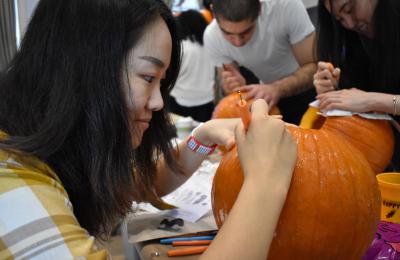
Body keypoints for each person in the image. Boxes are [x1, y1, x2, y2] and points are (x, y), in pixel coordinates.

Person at [0, 0, 297, 259]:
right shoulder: (13, 185)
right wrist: (266, 181)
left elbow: (143, 184)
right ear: (83, 68)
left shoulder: (59, 153)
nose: (157, 102)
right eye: (147, 77)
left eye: (161, 82)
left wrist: (202, 137)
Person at [313, 0, 400, 170]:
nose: (350, 23)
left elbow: (369, 99)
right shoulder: (355, 42)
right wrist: (332, 91)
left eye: (350, 9)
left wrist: (374, 100)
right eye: (340, 19)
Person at [203, 0, 317, 124]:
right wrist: (237, 88)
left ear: (260, 9)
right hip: (268, 97)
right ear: (213, 11)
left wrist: (277, 88)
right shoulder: (211, 36)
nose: (237, 43)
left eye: (245, 32)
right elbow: (235, 92)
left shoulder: (286, 7)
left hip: (308, 91)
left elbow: (313, 67)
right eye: (227, 33)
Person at [168, 10, 215, 122]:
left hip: (178, 101)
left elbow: (170, 74)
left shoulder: (180, 47)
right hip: (206, 101)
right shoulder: (212, 47)